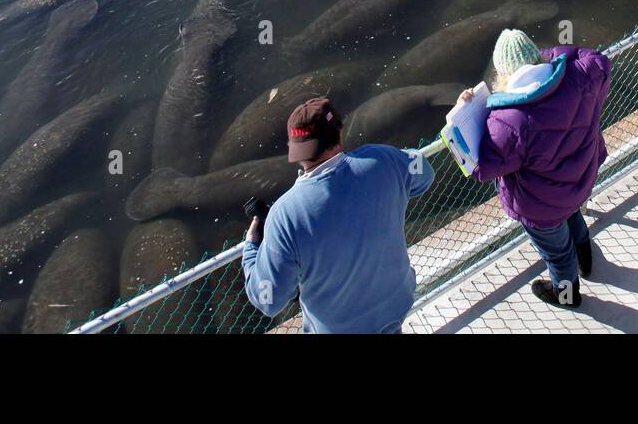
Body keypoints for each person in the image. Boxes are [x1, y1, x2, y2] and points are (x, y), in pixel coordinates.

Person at [241, 97, 435, 333]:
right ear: (340, 131)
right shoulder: (385, 159)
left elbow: (268, 299)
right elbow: (424, 171)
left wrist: (252, 250)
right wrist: (393, 169)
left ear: (295, 149)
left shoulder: (284, 215)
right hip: (396, 305)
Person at [469, 29, 611, 309]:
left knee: (558, 255)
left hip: (541, 205)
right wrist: (554, 56)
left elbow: (481, 169)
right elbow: (597, 59)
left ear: (504, 74)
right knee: (572, 215)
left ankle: (567, 295)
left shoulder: (506, 121)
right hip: (578, 182)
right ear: (537, 57)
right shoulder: (580, 78)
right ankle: (585, 257)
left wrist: (464, 121)